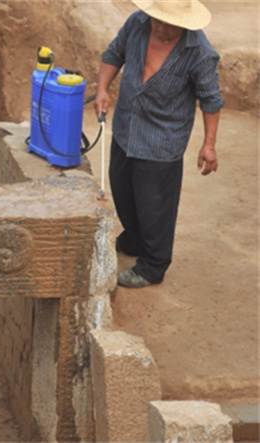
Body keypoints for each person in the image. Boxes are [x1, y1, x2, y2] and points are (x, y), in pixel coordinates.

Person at [94, 0, 223, 288]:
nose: (162, 28)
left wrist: (209, 145)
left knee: (155, 205)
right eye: (159, 20)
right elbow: (114, 55)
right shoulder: (137, 24)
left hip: (161, 141)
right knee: (123, 190)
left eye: (170, 24)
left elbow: (211, 100)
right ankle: (136, 239)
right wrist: (102, 89)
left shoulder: (198, 52)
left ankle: (153, 265)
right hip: (126, 127)